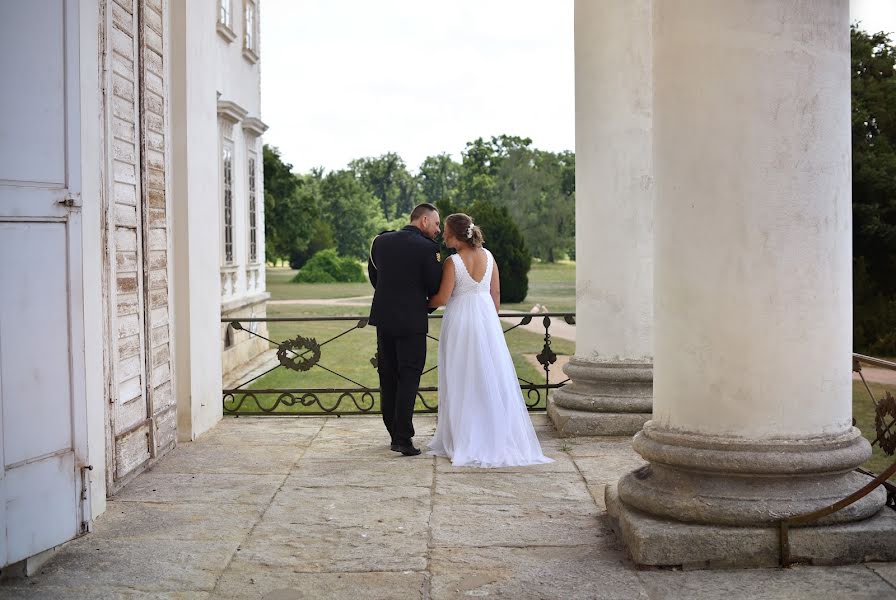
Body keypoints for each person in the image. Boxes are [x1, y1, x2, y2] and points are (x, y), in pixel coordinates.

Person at [426, 213, 553, 467]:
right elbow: (496, 294)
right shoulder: (490, 256)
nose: (443, 235)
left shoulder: (453, 262)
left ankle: (465, 437)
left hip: (461, 322)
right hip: (486, 320)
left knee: (461, 376)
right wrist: (489, 321)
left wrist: (421, 302)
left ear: (456, 235)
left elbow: (441, 298)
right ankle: (491, 433)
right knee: (488, 376)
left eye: (446, 231)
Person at [368, 203, 443, 456]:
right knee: (409, 377)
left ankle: (393, 432)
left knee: (388, 376)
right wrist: (420, 306)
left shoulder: (380, 241)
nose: (438, 230)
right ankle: (402, 438)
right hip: (412, 322)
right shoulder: (428, 248)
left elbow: (375, 278)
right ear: (423, 220)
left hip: (384, 320)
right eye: (436, 224)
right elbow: (434, 287)